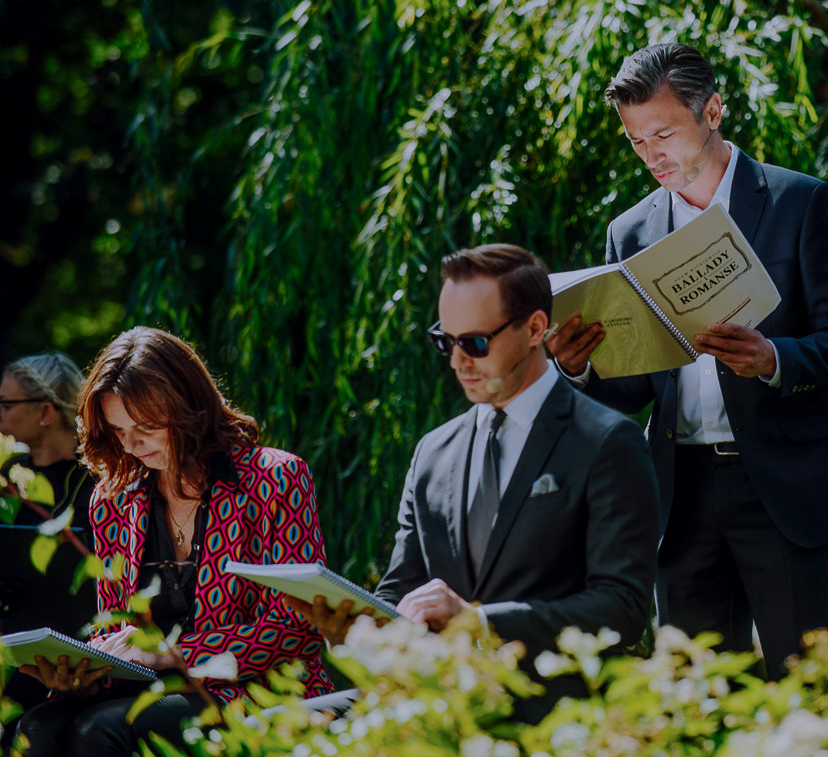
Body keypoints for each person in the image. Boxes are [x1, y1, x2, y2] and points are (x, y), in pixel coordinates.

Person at [547, 43, 828, 678]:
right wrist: (579, 366)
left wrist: (774, 357)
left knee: (807, 686)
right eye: (636, 141)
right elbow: (634, 388)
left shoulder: (799, 202)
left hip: (784, 486)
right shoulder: (630, 232)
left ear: (713, 111)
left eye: (663, 134)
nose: (651, 155)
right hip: (680, 494)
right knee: (694, 698)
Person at [296, 245, 659, 701]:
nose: (457, 361)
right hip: (433, 699)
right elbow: (399, 593)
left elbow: (623, 609)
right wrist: (352, 632)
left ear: (535, 328)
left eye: (475, 343)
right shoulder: (433, 452)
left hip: (546, 706)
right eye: (445, 341)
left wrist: (480, 623)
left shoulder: (608, 441)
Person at [15, 327, 334, 756]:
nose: (132, 445)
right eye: (118, 430)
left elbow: (297, 630)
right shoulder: (112, 500)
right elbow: (115, 627)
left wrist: (173, 653)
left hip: (255, 689)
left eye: (146, 427)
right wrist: (85, 673)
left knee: (99, 730)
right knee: (37, 727)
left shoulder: (276, 478)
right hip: (146, 690)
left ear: (190, 408)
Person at [0, 353, 97, 742]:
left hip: (73, 659)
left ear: (45, 412)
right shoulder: (8, 480)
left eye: (6, 405)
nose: (0, 416)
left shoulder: (100, 484)